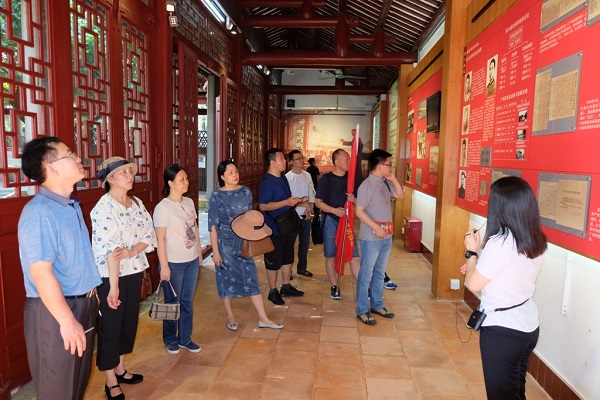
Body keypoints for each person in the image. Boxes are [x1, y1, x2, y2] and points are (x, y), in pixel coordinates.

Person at [18, 137, 102, 400]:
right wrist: (66, 320)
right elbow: (41, 274)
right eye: (70, 154)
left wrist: (91, 296)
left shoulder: (70, 205)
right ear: (51, 166)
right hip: (56, 311)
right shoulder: (39, 212)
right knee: (58, 392)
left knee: (76, 387)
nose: (78, 158)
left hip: (82, 304)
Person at [461, 176, 546, 400]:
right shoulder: (535, 238)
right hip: (527, 325)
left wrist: (471, 252)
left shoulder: (500, 243)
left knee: (501, 394)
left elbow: (472, 284)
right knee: (515, 391)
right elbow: (509, 272)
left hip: (503, 331)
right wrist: (478, 266)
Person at [91, 157, 157, 399]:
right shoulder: (103, 208)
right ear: (109, 179)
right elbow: (111, 250)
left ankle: (120, 368)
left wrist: (131, 251)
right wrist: (113, 287)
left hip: (134, 270)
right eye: (124, 173)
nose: (130, 176)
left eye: (131, 171)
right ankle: (110, 380)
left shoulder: (136, 203)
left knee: (129, 323)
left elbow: (148, 235)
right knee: (110, 327)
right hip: (111, 277)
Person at [210, 160, 283, 329]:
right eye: (230, 172)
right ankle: (230, 316)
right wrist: (216, 252)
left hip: (243, 240)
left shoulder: (245, 191)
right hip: (225, 244)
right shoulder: (216, 196)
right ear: (222, 177)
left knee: (252, 277)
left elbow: (249, 217)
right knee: (225, 280)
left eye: (236, 171)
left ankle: (263, 318)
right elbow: (213, 226)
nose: (235, 174)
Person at [153, 165, 202, 355]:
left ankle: (185, 338)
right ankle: (170, 339)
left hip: (191, 260)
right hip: (173, 263)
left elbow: (194, 228)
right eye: (181, 179)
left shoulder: (188, 202)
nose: (186, 182)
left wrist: (199, 252)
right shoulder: (163, 208)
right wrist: (164, 266)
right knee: (172, 302)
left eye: (186, 178)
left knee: (187, 301)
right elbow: (160, 239)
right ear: (170, 183)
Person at [355, 149, 404, 325]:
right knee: (366, 274)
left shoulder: (384, 183)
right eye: (389, 164)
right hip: (371, 238)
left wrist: (393, 179)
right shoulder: (366, 186)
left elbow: (400, 195)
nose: (390, 167)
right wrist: (376, 227)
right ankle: (362, 309)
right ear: (380, 165)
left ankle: (377, 305)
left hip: (386, 236)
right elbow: (359, 211)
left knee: (379, 273)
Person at [259, 148, 305, 305]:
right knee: (273, 260)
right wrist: (286, 202)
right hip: (274, 228)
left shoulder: (283, 178)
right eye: (281, 158)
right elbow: (263, 206)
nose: (285, 161)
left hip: (287, 225)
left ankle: (286, 286)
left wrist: (294, 201)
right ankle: (273, 291)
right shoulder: (267, 182)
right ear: (272, 162)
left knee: (288, 257)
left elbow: (286, 200)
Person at [315, 149, 360, 299]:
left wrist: (354, 200)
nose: (349, 162)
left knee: (354, 256)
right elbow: (318, 202)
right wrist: (334, 210)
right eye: (346, 159)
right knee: (331, 255)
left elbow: (359, 202)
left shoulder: (351, 179)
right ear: (337, 162)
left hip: (347, 223)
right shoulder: (326, 180)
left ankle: (362, 286)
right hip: (331, 221)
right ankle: (334, 285)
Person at [286, 150, 315, 277]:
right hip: (292, 214)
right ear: (291, 162)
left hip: (306, 213)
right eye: (298, 158)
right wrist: (303, 202)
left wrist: (309, 208)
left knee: (305, 243)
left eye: (302, 158)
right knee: (290, 243)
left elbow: (311, 193)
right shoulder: (287, 178)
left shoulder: (307, 175)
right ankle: (288, 270)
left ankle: (302, 268)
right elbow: (288, 199)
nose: (301, 160)